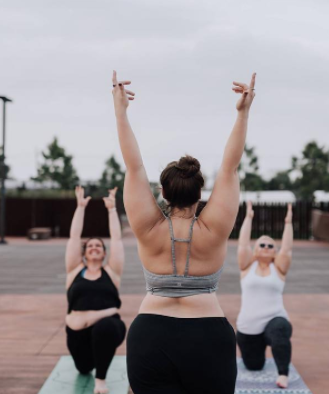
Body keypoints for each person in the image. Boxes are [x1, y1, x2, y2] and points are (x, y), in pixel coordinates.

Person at [111, 70, 256, 394]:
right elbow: (231, 167)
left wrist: (120, 111)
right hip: (208, 335)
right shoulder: (215, 226)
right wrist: (243, 112)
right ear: (200, 192)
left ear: (163, 192)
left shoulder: (148, 226)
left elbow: (133, 166)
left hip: (150, 334)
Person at [64, 187, 126, 394]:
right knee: (83, 368)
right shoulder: (74, 271)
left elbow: (116, 239)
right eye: (89, 246)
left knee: (106, 327)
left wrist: (111, 210)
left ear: (104, 252)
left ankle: (101, 380)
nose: (94, 247)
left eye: (98, 246)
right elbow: (74, 237)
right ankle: (92, 366)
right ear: (84, 252)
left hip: (107, 329)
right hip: (77, 334)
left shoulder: (112, 273)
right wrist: (80, 207)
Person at [236, 201, 294, 388]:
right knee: (254, 366)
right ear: (256, 248)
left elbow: (287, 249)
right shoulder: (247, 266)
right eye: (262, 244)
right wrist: (248, 217)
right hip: (248, 327)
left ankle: (283, 374)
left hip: (274, 319)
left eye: (271, 245)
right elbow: (243, 244)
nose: (267, 247)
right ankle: (258, 354)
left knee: (279, 331)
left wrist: (288, 223)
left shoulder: (279, 269)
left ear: (275, 252)